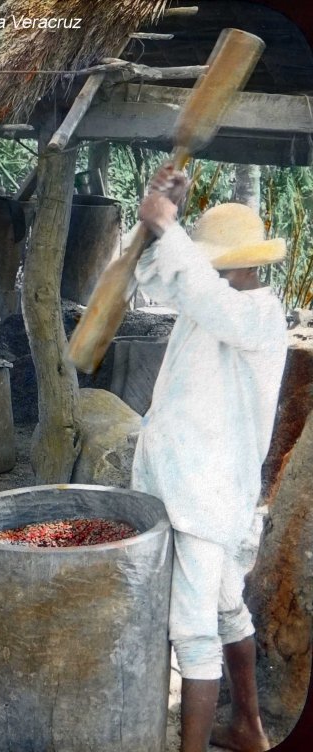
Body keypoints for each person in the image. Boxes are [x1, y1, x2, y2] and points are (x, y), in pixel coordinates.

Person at [132, 164, 287, 752]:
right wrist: (158, 224)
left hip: (205, 490)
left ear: (242, 262)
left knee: (193, 634)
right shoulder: (214, 297)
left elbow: (191, 283)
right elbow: (157, 276)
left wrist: (167, 226)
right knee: (226, 610)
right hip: (192, 484)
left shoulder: (255, 312)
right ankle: (247, 726)